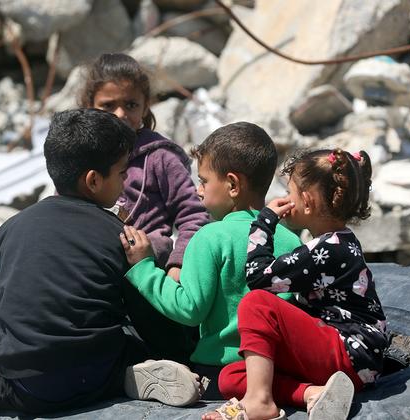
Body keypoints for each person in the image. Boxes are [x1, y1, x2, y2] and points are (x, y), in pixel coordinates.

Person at [0, 109, 202, 420]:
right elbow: (148, 319)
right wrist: (178, 353)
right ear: (93, 180)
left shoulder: (10, 229)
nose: (125, 182)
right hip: (98, 372)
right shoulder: (119, 235)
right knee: (123, 339)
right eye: (122, 174)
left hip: (29, 386)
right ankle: (124, 378)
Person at [119, 122, 302, 400]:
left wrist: (143, 268)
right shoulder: (291, 240)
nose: (198, 190)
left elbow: (189, 309)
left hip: (219, 373)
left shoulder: (209, 237)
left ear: (232, 185)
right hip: (275, 372)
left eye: (204, 181)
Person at [203, 148, 389, 420]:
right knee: (231, 376)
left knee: (257, 303)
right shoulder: (335, 243)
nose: (285, 199)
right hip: (345, 363)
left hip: (348, 353)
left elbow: (258, 278)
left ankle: (258, 401)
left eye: (289, 192)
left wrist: (265, 221)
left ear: (307, 201)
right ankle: (312, 393)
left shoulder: (329, 249)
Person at [78, 52, 210, 364]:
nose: (120, 114)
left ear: (145, 106)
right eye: (108, 105)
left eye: (131, 105)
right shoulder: (81, 156)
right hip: (97, 270)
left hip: (150, 272)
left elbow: (194, 214)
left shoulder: (160, 157)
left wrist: (178, 263)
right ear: (89, 105)